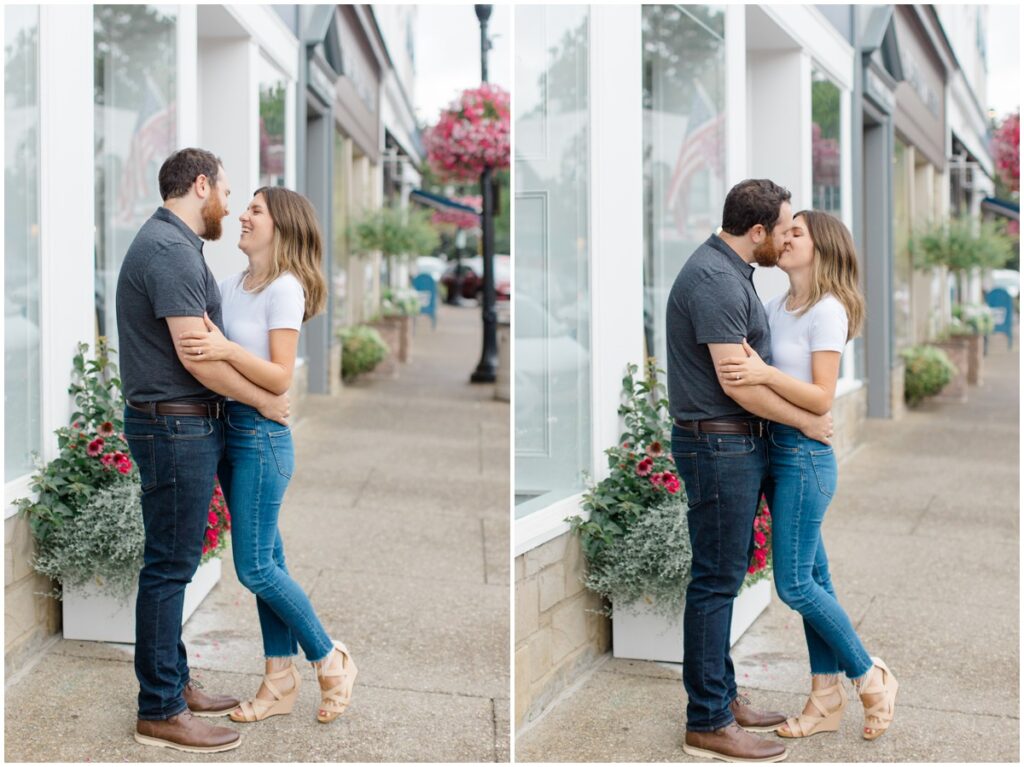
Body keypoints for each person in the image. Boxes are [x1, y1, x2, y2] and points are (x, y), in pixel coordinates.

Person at [117, 148, 289, 753]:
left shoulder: (176, 246)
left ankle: (175, 683)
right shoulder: (168, 250)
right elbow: (195, 353)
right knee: (169, 569)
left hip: (183, 427)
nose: (229, 203)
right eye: (225, 190)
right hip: (173, 429)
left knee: (174, 565)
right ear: (199, 185)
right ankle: (159, 708)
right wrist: (263, 400)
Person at [175, 186, 357, 725]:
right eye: (246, 207)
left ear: (281, 224)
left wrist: (228, 349)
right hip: (230, 435)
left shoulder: (286, 289)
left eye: (255, 209)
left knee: (255, 568)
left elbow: (280, 376)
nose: (243, 216)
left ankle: (330, 657)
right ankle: (279, 678)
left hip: (263, 438)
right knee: (268, 562)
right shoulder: (230, 285)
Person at [666, 179, 833, 763]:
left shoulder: (733, 273)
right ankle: (707, 720)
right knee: (715, 580)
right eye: (784, 228)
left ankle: (723, 696)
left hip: (734, 447)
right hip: (718, 447)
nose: (789, 236)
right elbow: (741, 384)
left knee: (725, 576)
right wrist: (807, 421)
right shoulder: (714, 280)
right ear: (756, 232)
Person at [715, 210, 898, 741]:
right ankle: (824, 699)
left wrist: (764, 373)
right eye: (784, 230)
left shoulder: (829, 310)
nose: (785, 238)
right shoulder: (777, 306)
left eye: (797, 232)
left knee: (794, 585)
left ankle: (869, 674)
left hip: (806, 459)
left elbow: (820, 397)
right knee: (816, 580)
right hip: (775, 454)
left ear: (823, 247)